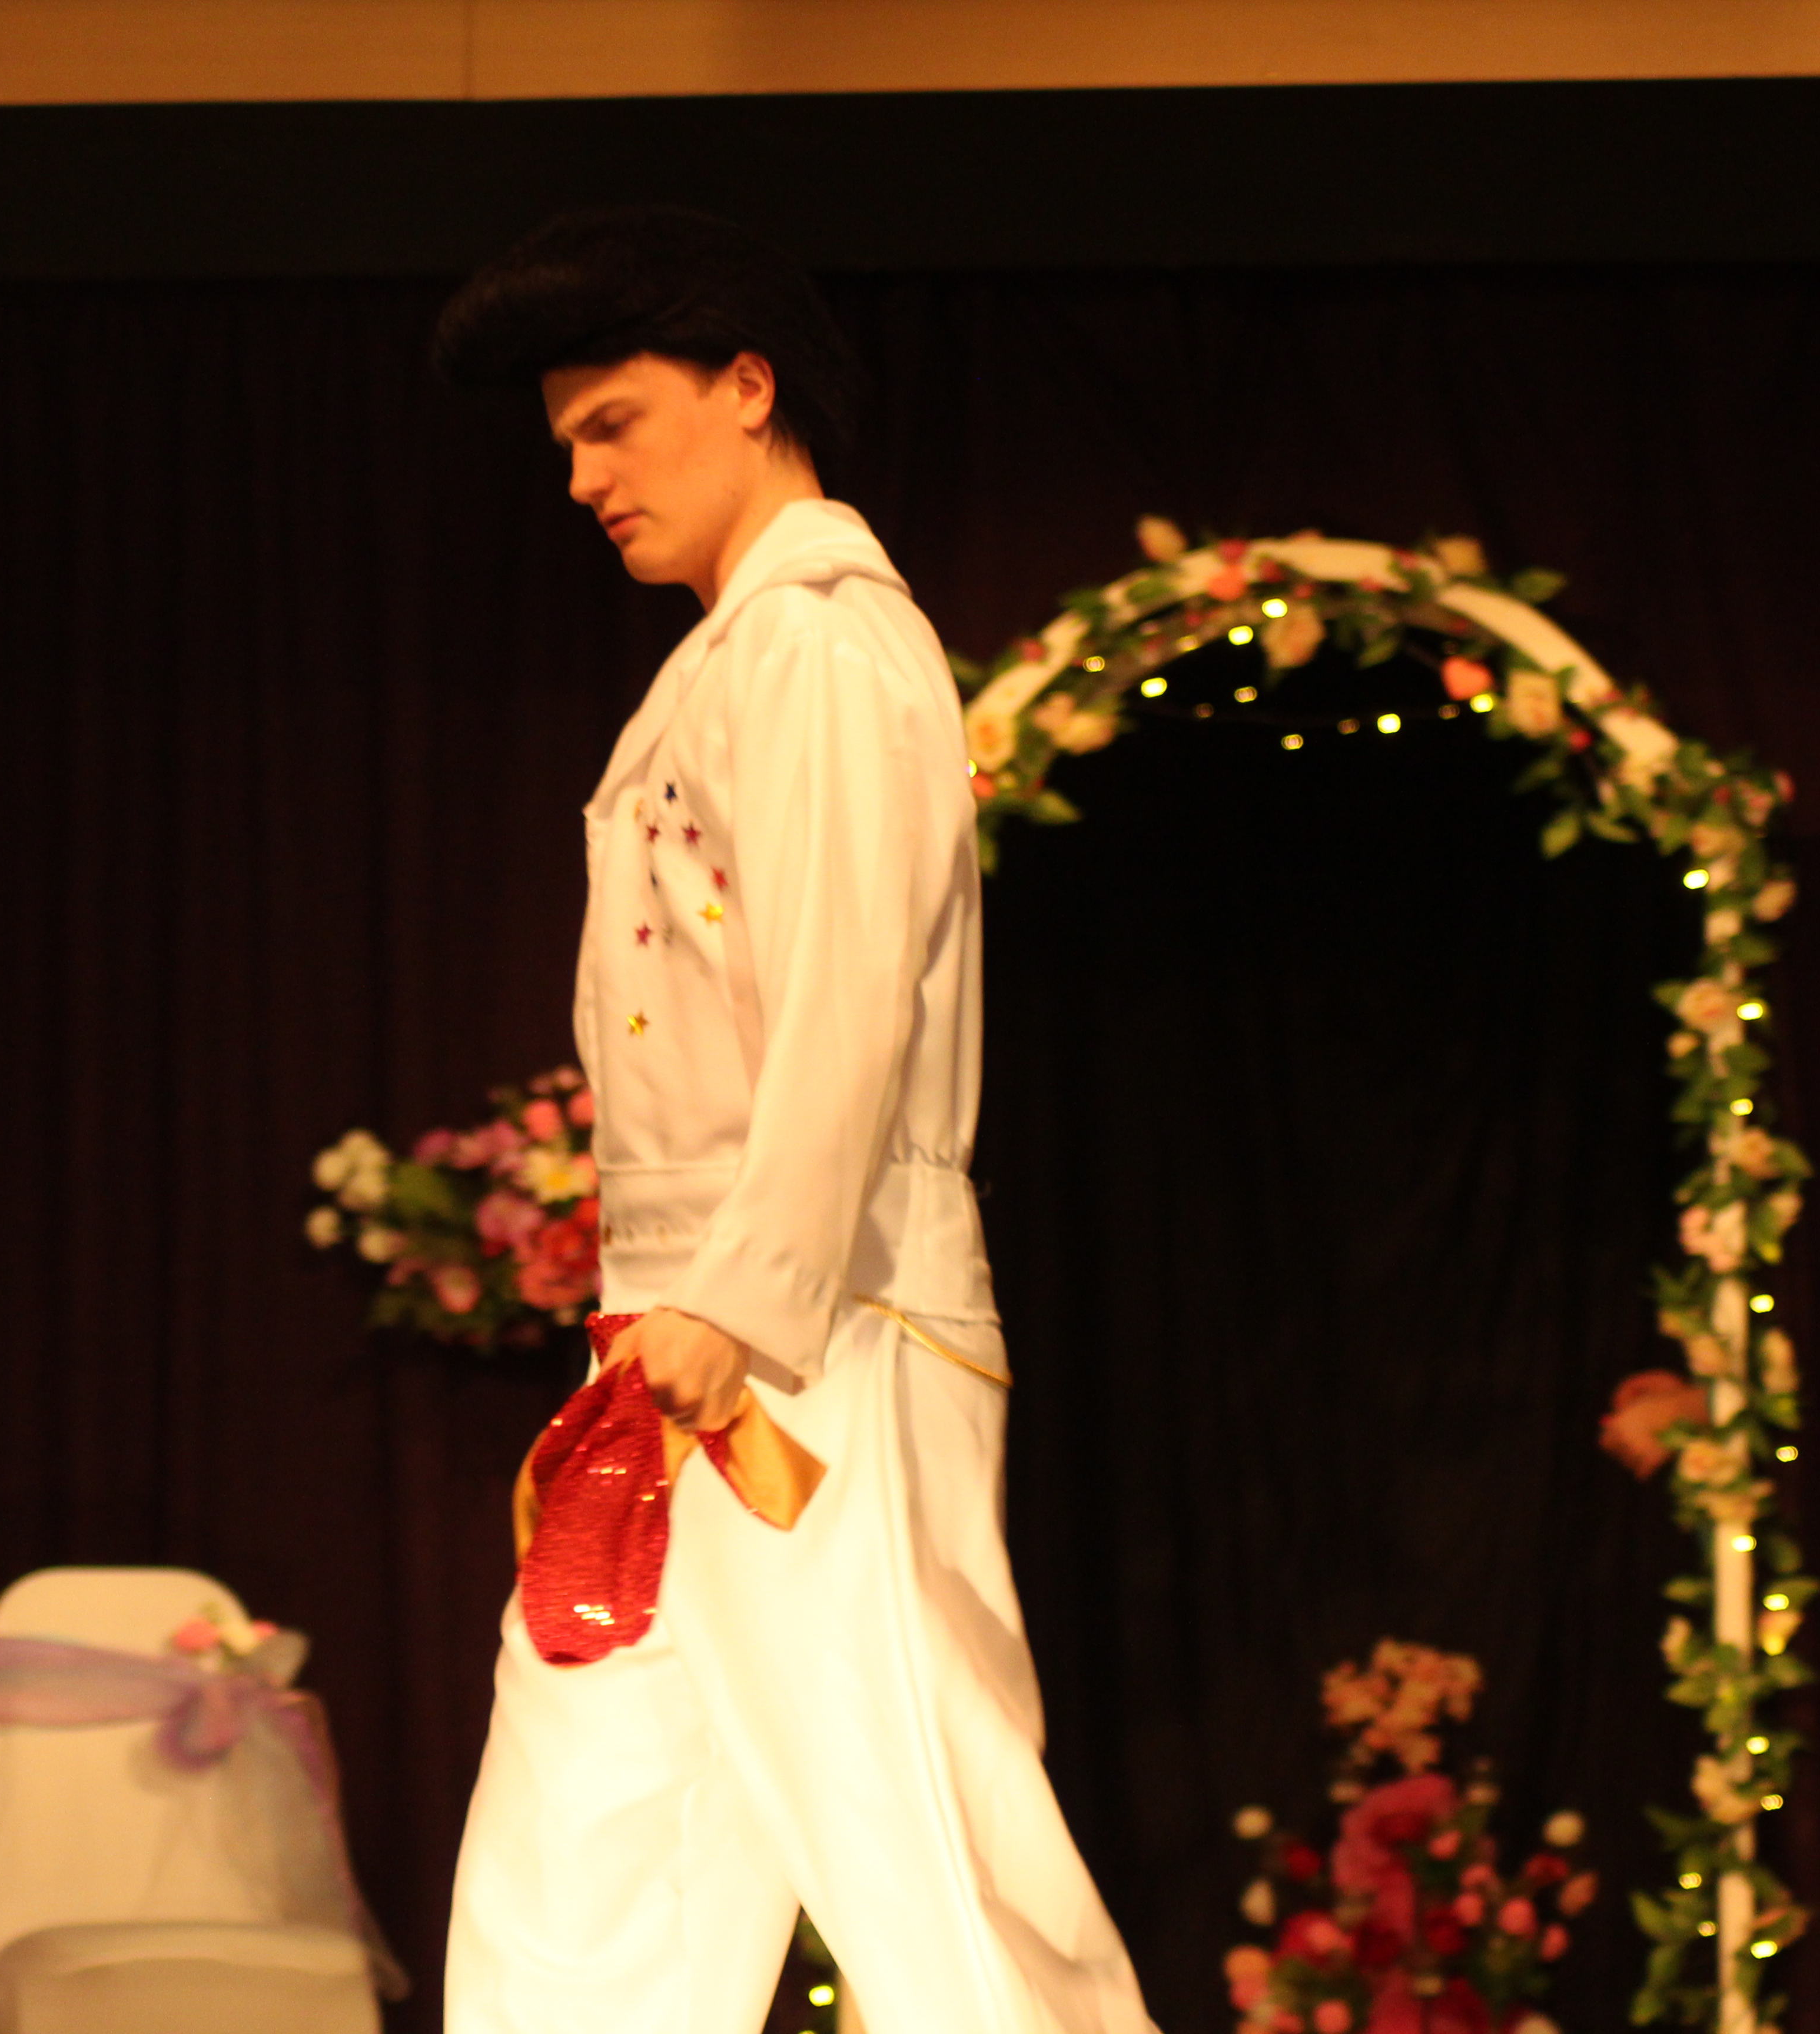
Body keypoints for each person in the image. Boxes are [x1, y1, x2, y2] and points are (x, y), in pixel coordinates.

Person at [431, 208, 1160, 2034]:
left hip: (818, 1332)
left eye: (614, 424)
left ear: (748, 388)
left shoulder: (825, 647)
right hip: (686, 1330)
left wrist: (742, 1299)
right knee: (589, 1838)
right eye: (566, 443)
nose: (585, 479)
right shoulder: (725, 656)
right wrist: (687, 1304)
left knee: (915, 1830)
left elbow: (846, 1003)